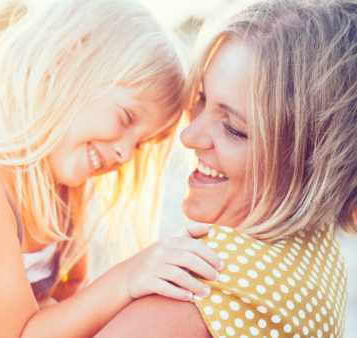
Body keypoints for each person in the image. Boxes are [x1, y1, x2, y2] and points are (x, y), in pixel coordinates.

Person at [0, 1, 224, 337]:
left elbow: (69, 299)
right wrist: (129, 276)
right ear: (65, 66)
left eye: (141, 143)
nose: (124, 152)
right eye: (126, 118)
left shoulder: (62, 192)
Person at [95, 0, 355, 337]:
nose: (188, 137)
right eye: (201, 99)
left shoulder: (201, 284)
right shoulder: (317, 253)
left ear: (313, 162)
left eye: (234, 129)